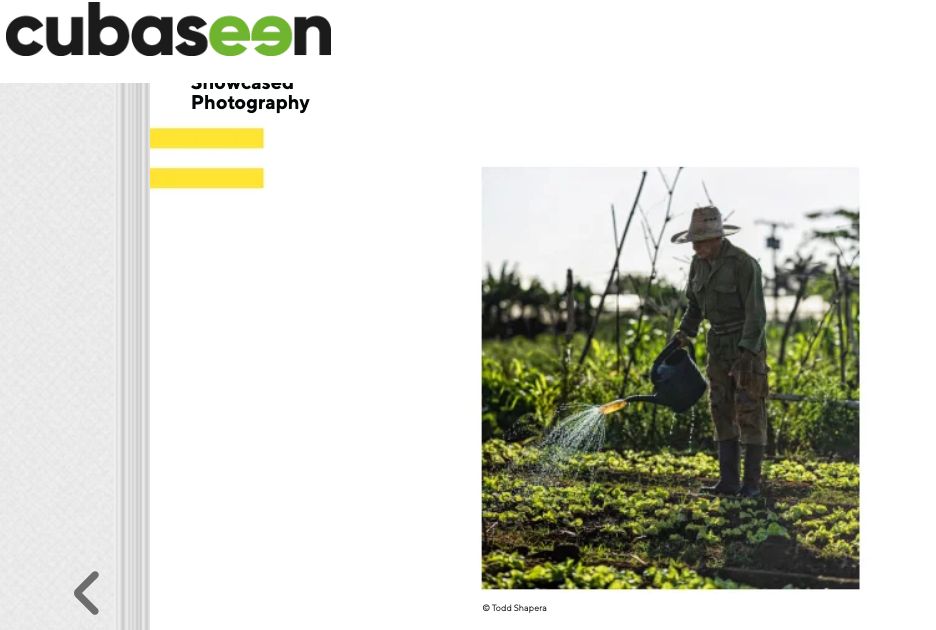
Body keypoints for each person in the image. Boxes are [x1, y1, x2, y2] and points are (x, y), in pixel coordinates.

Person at [670, 206, 769, 498]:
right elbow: (694, 307)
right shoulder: (697, 265)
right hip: (717, 345)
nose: (696, 247)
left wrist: (746, 354)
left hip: (746, 346)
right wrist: (684, 333)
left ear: (717, 238)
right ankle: (728, 482)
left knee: (750, 410)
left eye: (701, 241)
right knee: (720, 408)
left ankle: (751, 485)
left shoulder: (743, 264)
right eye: (694, 242)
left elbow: (756, 315)